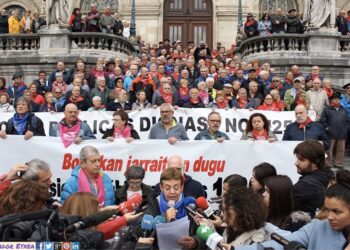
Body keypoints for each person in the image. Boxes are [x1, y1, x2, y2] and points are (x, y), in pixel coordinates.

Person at [233, 170, 350, 250]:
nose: (330, 216)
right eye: (328, 210)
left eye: (337, 212)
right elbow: (280, 243)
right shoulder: (317, 227)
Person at [137, 167, 204, 249]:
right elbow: (138, 232)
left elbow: (206, 233)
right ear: (161, 188)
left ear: (182, 187)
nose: (172, 192)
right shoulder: (153, 204)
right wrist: (164, 218)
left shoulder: (192, 204)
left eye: (176, 187)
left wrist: (195, 242)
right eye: (167, 188)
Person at [60, 192, 142, 241]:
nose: (98, 211)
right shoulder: (77, 240)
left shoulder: (60, 227)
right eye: (96, 209)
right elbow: (98, 232)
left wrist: (105, 212)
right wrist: (124, 219)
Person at [292, 140, 333, 217]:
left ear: (315, 162)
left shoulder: (305, 185)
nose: (296, 163)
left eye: (301, 160)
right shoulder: (328, 174)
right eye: (297, 158)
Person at [320, 92, 348, 168]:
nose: (337, 100)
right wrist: (326, 127)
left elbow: (347, 120)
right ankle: (328, 162)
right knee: (329, 149)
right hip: (330, 132)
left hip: (342, 132)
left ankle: (338, 163)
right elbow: (323, 120)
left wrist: (346, 129)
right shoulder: (327, 109)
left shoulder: (343, 109)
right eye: (335, 99)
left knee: (341, 149)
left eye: (338, 99)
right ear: (332, 100)